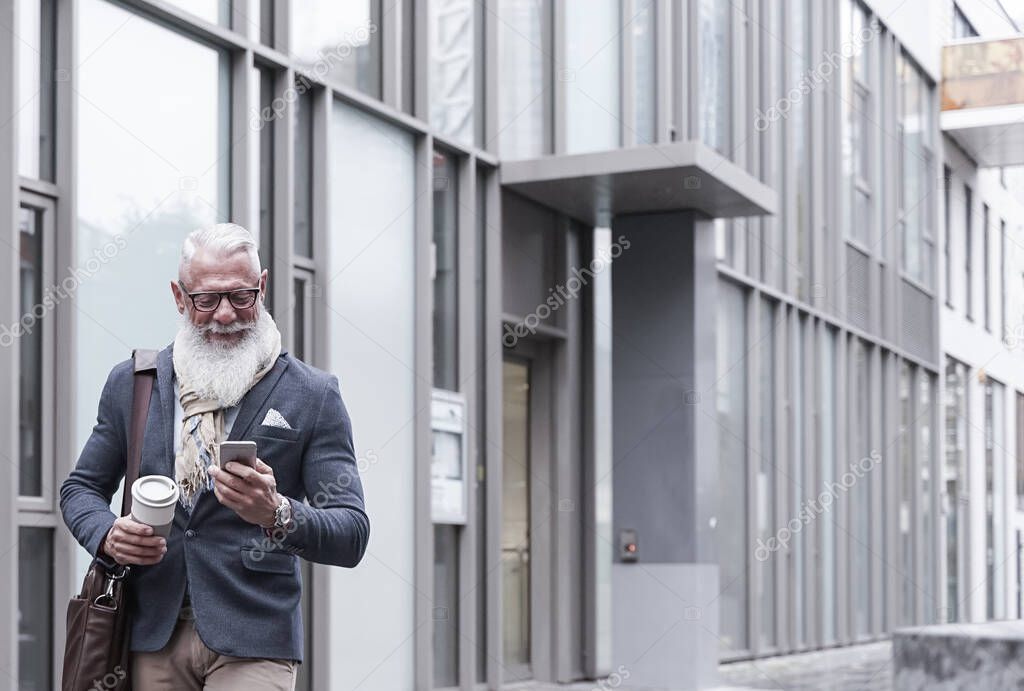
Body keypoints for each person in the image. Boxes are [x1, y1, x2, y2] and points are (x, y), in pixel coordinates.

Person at [60, 223, 369, 690]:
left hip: (255, 639)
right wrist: (107, 535)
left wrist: (278, 513)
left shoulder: (314, 394)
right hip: (150, 632)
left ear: (262, 287)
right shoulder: (133, 383)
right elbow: (80, 489)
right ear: (179, 297)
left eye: (241, 296)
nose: (225, 315)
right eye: (206, 300)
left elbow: (351, 532)